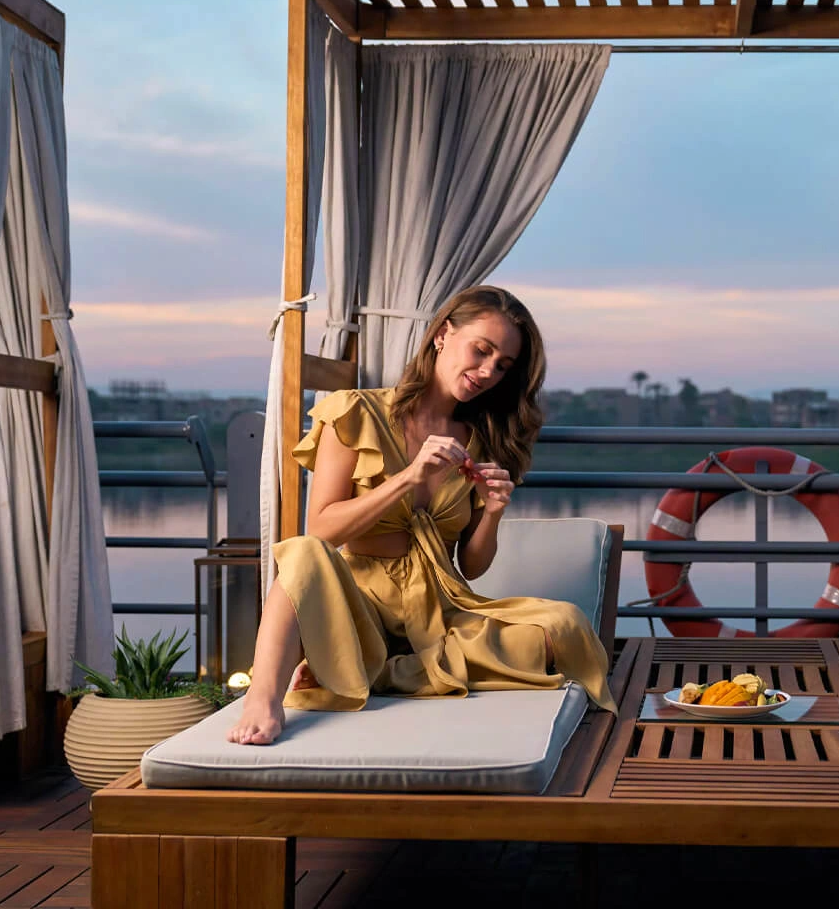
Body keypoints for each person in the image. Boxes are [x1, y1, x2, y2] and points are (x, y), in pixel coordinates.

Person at [228, 286, 615, 745]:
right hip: (359, 609)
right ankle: (263, 699)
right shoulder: (356, 412)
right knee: (302, 554)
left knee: (563, 627)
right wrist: (408, 478)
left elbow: (471, 565)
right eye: (482, 350)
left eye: (502, 365)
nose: (488, 371)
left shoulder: (482, 438)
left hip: (441, 611)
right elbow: (323, 529)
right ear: (443, 335)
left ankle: (382, 672)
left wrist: (493, 512)